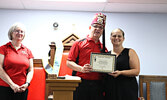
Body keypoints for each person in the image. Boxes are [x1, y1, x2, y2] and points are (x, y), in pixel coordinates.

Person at [66, 13, 107, 100]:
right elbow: (69, 62)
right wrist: (81, 69)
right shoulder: (78, 43)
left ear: (103, 30)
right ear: (90, 27)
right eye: (95, 26)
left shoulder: (104, 48)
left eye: (100, 27)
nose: (98, 29)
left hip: (98, 86)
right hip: (81, 84)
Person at [0, 23, 34, 100]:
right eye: (17, 31)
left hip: (22, 89)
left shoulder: (28, 51)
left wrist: (27, 84)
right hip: (5, 88)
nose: (20, 33)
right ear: (11, 33)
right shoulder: (3, 49)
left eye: (22, 31)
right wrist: (12, 84)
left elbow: (31, 70)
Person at [104, 28, 140, 100]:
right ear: (110, 38)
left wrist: (120, 73)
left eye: (119, 36)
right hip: (111, 89)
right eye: (114, 36)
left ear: (123, 38)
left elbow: (136, 71)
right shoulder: (106, 55)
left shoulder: (130, 52)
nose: (116, 38)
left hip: (127, 90)